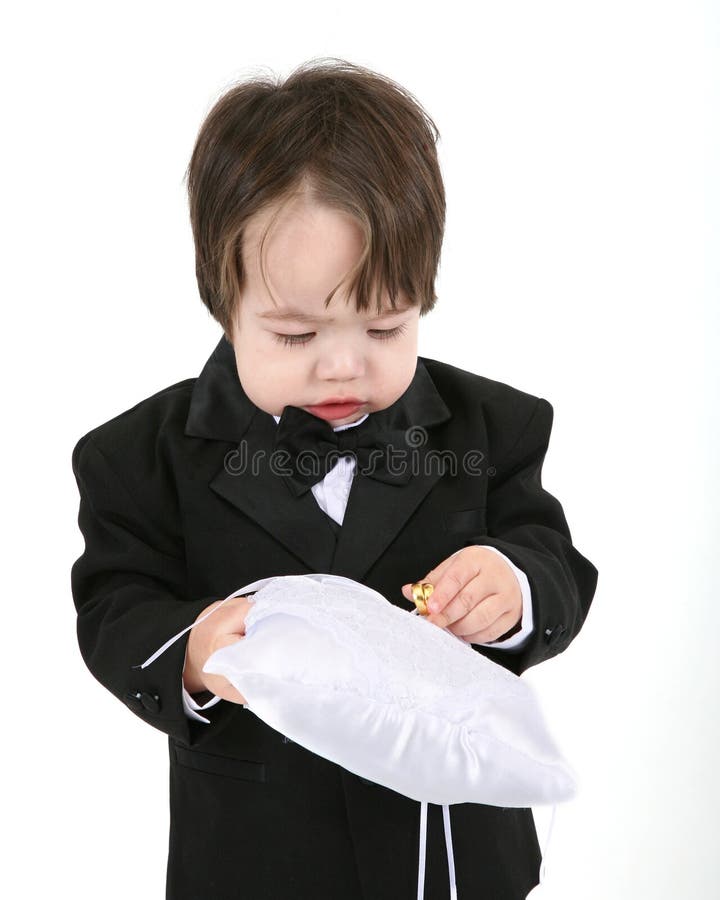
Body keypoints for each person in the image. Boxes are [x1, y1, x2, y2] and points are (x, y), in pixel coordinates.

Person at [70, 58, 598, 900]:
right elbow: (114, 607)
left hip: (452, 855)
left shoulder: (493, 426)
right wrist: (197, 653)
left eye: (385, 324)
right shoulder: (135, 456)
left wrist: (513, 586)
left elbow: (554, 560)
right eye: (293, 335)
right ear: (224, 302)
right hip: (259, 859)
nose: (343, 364)